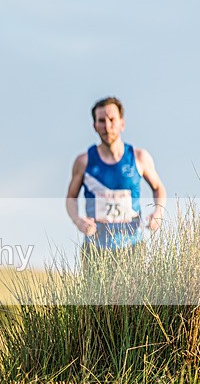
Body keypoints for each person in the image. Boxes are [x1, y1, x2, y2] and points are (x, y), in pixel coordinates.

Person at [66, 97, 166, 261]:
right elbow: (71, 197)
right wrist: (78, 221)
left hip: (133, 248)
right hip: (95, 250)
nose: (107, 126)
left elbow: (158, 187)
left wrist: (158, 212)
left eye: (112, 120)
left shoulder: (139, 157)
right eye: (101, 121)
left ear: (122, 123)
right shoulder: (83, 161)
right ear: (95, 126)